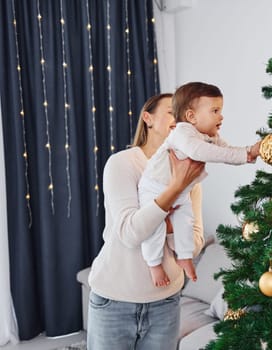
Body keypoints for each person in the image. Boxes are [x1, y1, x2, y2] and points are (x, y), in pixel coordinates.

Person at [87, 93, 206, 349]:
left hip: (166, 302)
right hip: (114, 300)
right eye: (172, 111)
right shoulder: (122, 163)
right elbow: (130, 233)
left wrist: (169, 224)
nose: (180, 119)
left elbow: (194, 244)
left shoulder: (191, 172)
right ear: (147, 118)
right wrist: (174, 190)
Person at [139, 82, 260, 286]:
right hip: (153, 188)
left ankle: (185, 256)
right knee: (155, 229)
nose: (220, 117)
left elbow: (227, 150)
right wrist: (243, 154)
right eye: (215, 111)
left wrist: (249, 152)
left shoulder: (208, 135)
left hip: (180, 192)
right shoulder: (182, 133)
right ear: (191, 117)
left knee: (186, 221)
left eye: (220, 111)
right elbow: (201, 152)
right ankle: (154, 265)